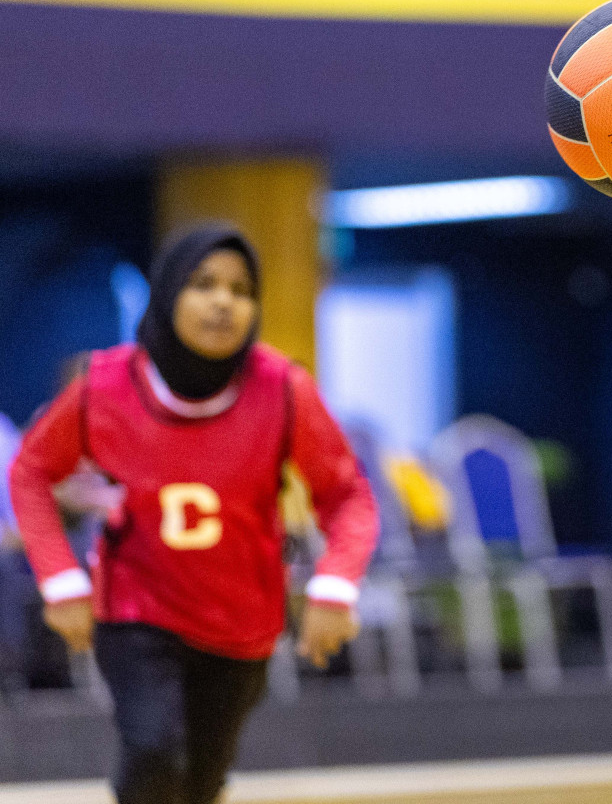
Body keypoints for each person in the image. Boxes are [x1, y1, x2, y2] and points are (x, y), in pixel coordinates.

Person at [8, 224, 379, 804]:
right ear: (167, 292)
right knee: (154, 749)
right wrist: (60, 580)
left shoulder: (283, 388)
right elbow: (31, 472)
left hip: (242, 619)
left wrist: (334, 588)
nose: (223, 301)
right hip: (136, 609)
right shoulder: (104, 386)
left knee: (203, 781)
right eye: (203, 284)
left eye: (240, 288)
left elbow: (348, 493)